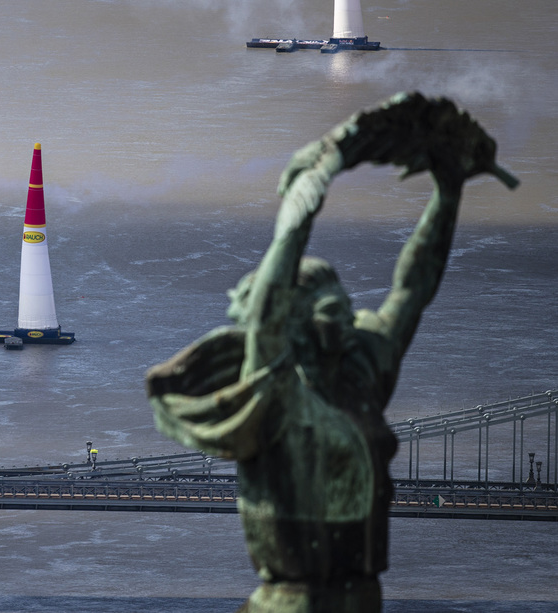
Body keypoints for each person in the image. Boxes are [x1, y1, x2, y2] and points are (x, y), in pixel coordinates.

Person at [147, 93, 517, 612]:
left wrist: (449, 187)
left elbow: (412, 289)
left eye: (348, 308)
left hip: (362, 598)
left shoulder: (360, 379)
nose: (349, 320)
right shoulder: (273, 391)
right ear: (294, 322)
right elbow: (268, 310)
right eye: (330, 312)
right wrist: (306, 202)